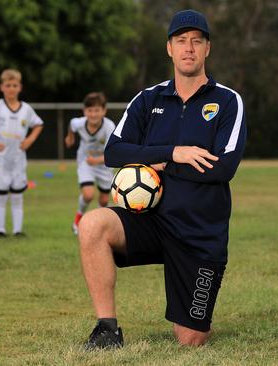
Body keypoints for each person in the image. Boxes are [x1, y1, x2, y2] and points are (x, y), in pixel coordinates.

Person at [78, 9, 246, 349]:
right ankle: (107, 330)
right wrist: (174, 151)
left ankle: (194, 312)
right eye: (181, 41)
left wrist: (165, 163)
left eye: (196, 42)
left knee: (191, 339)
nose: (189, 48)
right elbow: (115, 152)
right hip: (151, 221)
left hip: (200, 233)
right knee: (92, 224)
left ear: (207, 49)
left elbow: (224, 167)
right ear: (169, 48)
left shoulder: (227, 101)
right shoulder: (148, 99)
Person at [0, 69, 44, 237]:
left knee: (18, 195)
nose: (11, 88)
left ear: (20, 87)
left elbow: (39, 124)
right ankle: (0, 229)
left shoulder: (26, 109)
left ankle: (18, 230)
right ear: (1, 87)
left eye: (14, 85)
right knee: (0, 195)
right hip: (0, 160)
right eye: (8, 85)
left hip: (19, 160)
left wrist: (30, 139)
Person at [64, 92, 116, 235]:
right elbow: (71, 125)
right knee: (88, 195)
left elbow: (111, 153)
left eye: (97, 110)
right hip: (85, 161)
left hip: (104, 164)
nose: (93, 114)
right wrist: (69, 138)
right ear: (84, 111)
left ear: (104, 111)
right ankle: (77, 221)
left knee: (104, 201)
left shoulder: (109, 127)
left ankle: (100, 225)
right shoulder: (79, 123)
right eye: (90, 110)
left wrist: (97, 160)